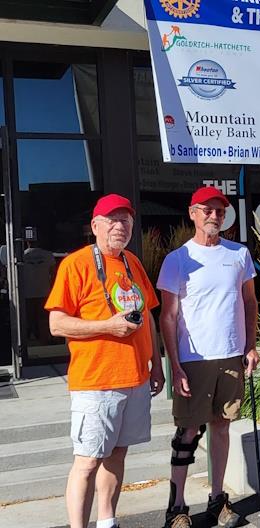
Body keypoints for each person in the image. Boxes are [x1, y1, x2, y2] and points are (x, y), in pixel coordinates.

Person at [46, 194, 164, 528]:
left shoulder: (132, 262)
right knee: (87, 462)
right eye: (112, 219)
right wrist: (107, 326)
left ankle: (107, 521)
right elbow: (57, 324)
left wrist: (156, 362)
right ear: (95, 226)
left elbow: (148, 315)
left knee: (117, 453)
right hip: (96, 382)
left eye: (126, 220)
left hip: (135, 378)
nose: (120, 226)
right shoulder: (76, 264)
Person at [157, 186, 259, 528]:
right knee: (187, 433)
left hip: (230, 356)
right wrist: (175, 365)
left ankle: (217, 499)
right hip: (194, 359)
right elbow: (168, 317)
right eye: (207, 210)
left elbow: (249, 302)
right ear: (192, 214)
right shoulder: (178, 259)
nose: (214, 216)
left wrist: (250, 346)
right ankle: (177, 509)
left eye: (220, 211)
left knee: (222, 427)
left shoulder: (239, 254)